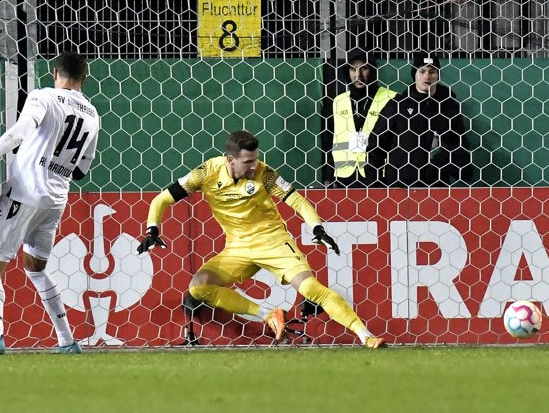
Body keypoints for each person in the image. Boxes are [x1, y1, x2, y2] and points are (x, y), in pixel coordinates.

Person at [138, 130, 387, 348]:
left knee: (310, 288)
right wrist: (152, 229)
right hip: (238, 248)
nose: (254, 166)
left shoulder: (265, 174)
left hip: (274, 241)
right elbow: (161, 199)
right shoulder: (206, 174)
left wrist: (317, 228)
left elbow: (296, 200)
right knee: (199, 286)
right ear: (230, 160)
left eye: (256, 159)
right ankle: (268, 313)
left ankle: (366, 336)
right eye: (248, 161)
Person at [0, 52, 99, 355]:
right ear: (83, 78)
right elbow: (81, 171)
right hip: (55, 200)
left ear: (55, 72)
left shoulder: (43, 97)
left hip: (25, 194)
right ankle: (66, 340)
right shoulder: (92, 113)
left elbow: (19, 132)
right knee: (35, 268)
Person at [384, 53, 473, 187]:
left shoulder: (450, 108)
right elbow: (377, 146)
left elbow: (461, 148)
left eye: (432, 72)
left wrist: (443, 153)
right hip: (400, 189)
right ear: (415, 74)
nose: (427, 76)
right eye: (422, 71)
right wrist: (374, 186)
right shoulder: (397, 105)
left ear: (438, 75)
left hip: (437, 188)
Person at [323, 50, 399, 187]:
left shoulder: (392, 99)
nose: (358, 75)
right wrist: (328, 175)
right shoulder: (338, 102)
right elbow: (329, 140)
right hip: (344, 175)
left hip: (378, 173)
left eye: (364, 68)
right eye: (353, 69)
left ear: (373, 69)